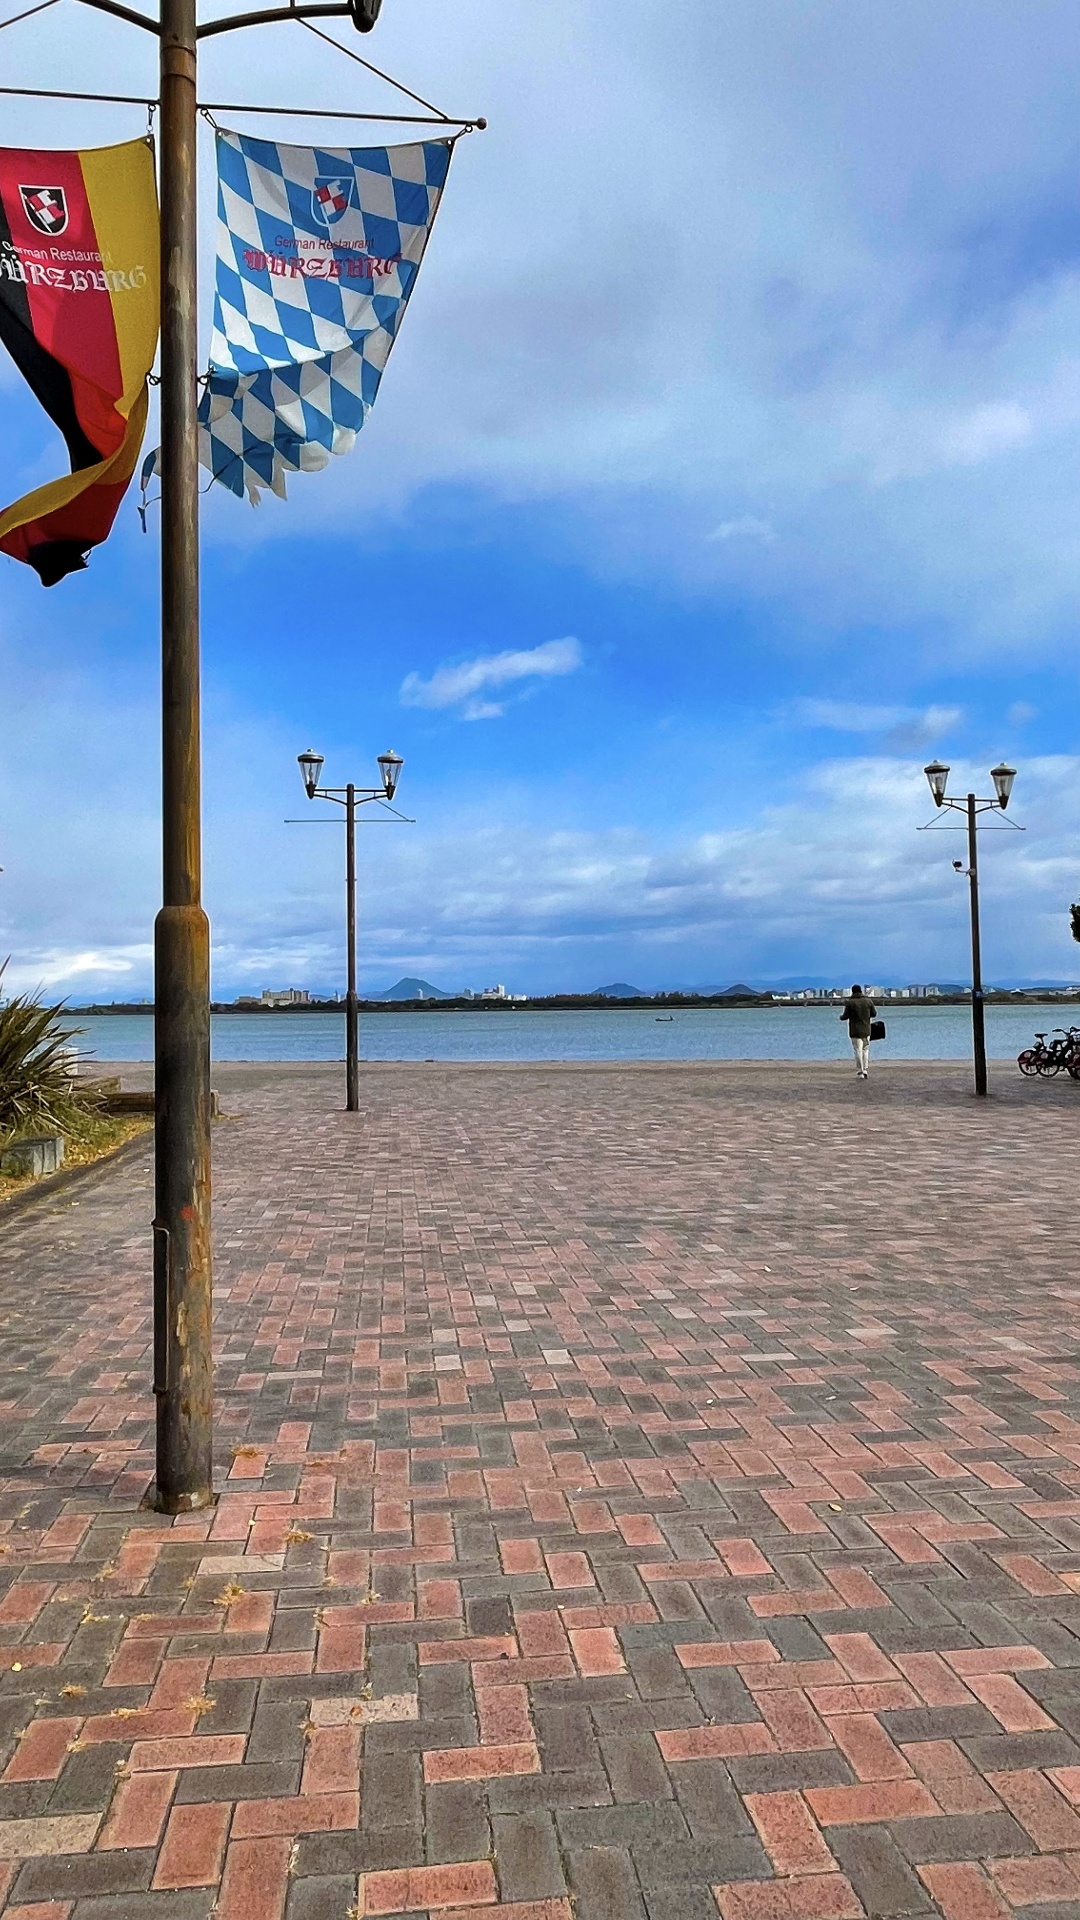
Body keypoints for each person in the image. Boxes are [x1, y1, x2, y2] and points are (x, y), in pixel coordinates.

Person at [840, 983, 876, 1078]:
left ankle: (860, 1071)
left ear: (852, 992)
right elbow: (874, 1014)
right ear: (861, 991)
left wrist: (841, 1017)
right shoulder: (868, 1001)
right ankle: (865, 1069)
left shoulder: (850, 1002)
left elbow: (845, 1016)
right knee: (865, 1049)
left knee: (858, 1050)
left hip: (855, 1030)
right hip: (867, 1029)